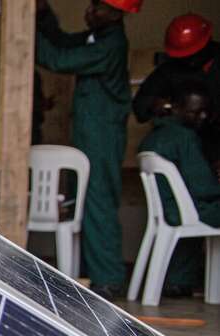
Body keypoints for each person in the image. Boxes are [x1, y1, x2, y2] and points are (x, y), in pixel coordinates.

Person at [34, 0, 141, 300]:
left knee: (98, 202)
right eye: (92, 4)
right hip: (92, 135)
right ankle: (98, 274)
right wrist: (44, 16)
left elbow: (58, 59)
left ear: (118, 13)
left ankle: (108, 279)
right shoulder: (97, 37)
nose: (90, 11)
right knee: (87, 202)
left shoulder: (111, 45)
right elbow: (63, 42)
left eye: (99, 8)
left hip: (103, 136)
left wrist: (26, 33)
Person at [139, 81, 220, 296]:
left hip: (168, 209)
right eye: (195, 112)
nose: (202, 117)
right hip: (184, 211)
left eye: (205, 112)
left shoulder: (153, 136)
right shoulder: (184, 137)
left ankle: (180, 280)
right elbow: (205, 187)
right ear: (176, 108)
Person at [133, 13, 220, 164]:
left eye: (194, 53)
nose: (190, 60)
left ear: (207, 41)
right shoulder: (171, 69)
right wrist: (161, 105)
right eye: (184, 56)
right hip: (192, 146)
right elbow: (140, 104)